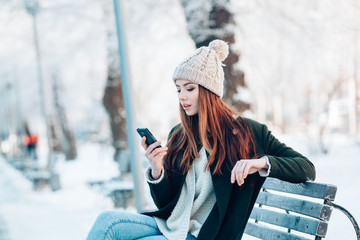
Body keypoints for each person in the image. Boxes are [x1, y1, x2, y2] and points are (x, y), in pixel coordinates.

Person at [86, 39, 316, 240]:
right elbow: (166, 203)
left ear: (207, 91)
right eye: (178, 89)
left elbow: (306, 168)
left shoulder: (248, 133)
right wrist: (157, 170)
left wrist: (259, 162)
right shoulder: (180, 134)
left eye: (189, 88)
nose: (182, 96)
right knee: (107, 222)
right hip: (174, 226)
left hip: (205, 235)